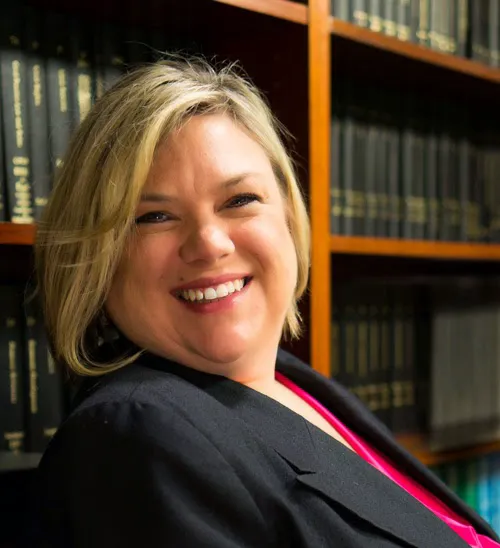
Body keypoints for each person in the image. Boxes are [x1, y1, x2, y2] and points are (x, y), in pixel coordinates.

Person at [32, 57, 498, 548]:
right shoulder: (136, 437)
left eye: (239, 200)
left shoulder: (291, 382)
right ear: (99, 256)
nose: (209, 244)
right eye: (153, 217)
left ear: (289, 216)